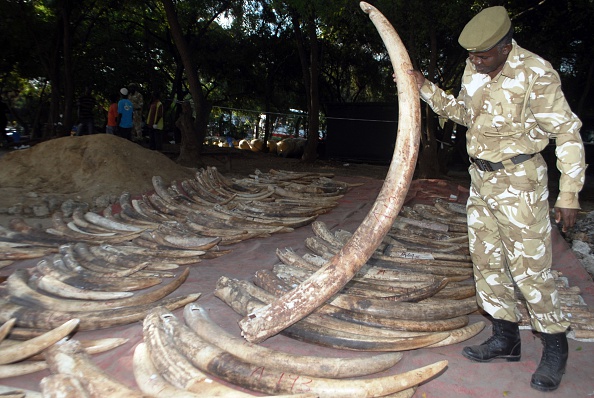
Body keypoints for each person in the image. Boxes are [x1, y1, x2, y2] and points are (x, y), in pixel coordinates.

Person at [407, 6, 586, 392]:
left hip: (520, 181)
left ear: (505, 47)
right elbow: (464, 112)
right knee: (486, 259)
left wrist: (569, 193)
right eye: (472, 55)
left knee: (530, 269)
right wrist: (424, 87)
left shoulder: (537, 73)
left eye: (483, 55)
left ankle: (554, 348)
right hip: (480, 180)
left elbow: (567, 133)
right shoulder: (476, 69)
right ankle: (505, 338)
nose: (474, 61)